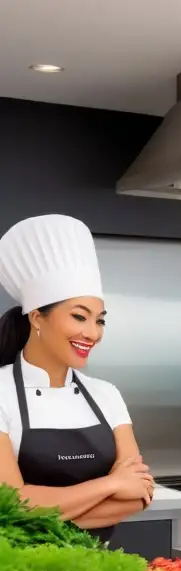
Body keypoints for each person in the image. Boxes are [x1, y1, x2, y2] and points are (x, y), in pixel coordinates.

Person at [0, 214, 153, 543]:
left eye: (99, 321)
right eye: (79, 317)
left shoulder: (106, 394)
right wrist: (110, 484)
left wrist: (34, 514)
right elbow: (10, 504)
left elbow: (140, 493)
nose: (92, 333)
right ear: (37, 317)